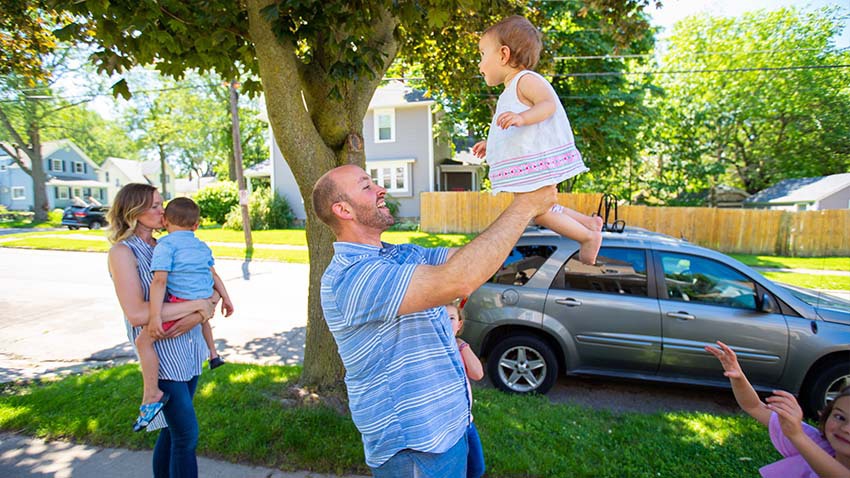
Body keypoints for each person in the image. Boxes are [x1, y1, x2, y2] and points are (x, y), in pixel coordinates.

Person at [312, 164, 556, 477]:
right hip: (417, 447)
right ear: (343, 209)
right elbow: (457, 281)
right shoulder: (350, 277)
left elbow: (470, 260)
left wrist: (538, 229)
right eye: (366, 186)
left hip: (453, 425)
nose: (380, 189)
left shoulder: (401, 254)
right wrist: (524, 205)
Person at [106, 183, 219, 477]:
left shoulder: (167, 244)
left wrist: (205, 307)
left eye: (161, 203)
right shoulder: (122, 252)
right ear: (132, 212)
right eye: (154, 205)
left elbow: (207, 283)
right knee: (186, 435)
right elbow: (137, 313)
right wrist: (199, 306)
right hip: (161, 353)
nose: (162, 210)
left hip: (189, 349)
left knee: (169, 432)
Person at [472, 15, 603, 265]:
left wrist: (523, 117)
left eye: (482, 54)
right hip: (532, 162)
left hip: (539, 161)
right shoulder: (509, 92)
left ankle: (587, 237)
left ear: (503, 54)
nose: (479, 64)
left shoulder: (526, 80)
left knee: (538, 212)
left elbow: (548, 105)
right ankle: (588, 223)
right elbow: (511, 133)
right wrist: (492, 144)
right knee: (542, 208)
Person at [134, 197, 235, 432]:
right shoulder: (202, 246)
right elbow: (214, 276)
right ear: (197, 225)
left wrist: (156, 315)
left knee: (143, 341)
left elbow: (159, 281)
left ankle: (152, 394)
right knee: (204, 323)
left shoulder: (165, 246)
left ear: (166, 221)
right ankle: (213, 354)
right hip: (204, 298)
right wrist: (226, 298)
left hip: (181, 303)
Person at [706, 341, 850, 477]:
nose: (846, 428)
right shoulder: (816, 442)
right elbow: (754, 406)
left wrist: (797, 436)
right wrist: (738, 377)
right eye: (840, 417)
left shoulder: (802, 439)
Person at [447, 303, 486, 478]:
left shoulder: (460, 348)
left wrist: (462, 345)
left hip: (467, 423)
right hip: (449, 426)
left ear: (459, 325)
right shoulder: (434, 349)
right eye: (442, 318)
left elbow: (477, 373)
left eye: (452, 318)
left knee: (477, 468)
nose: (447, 323)